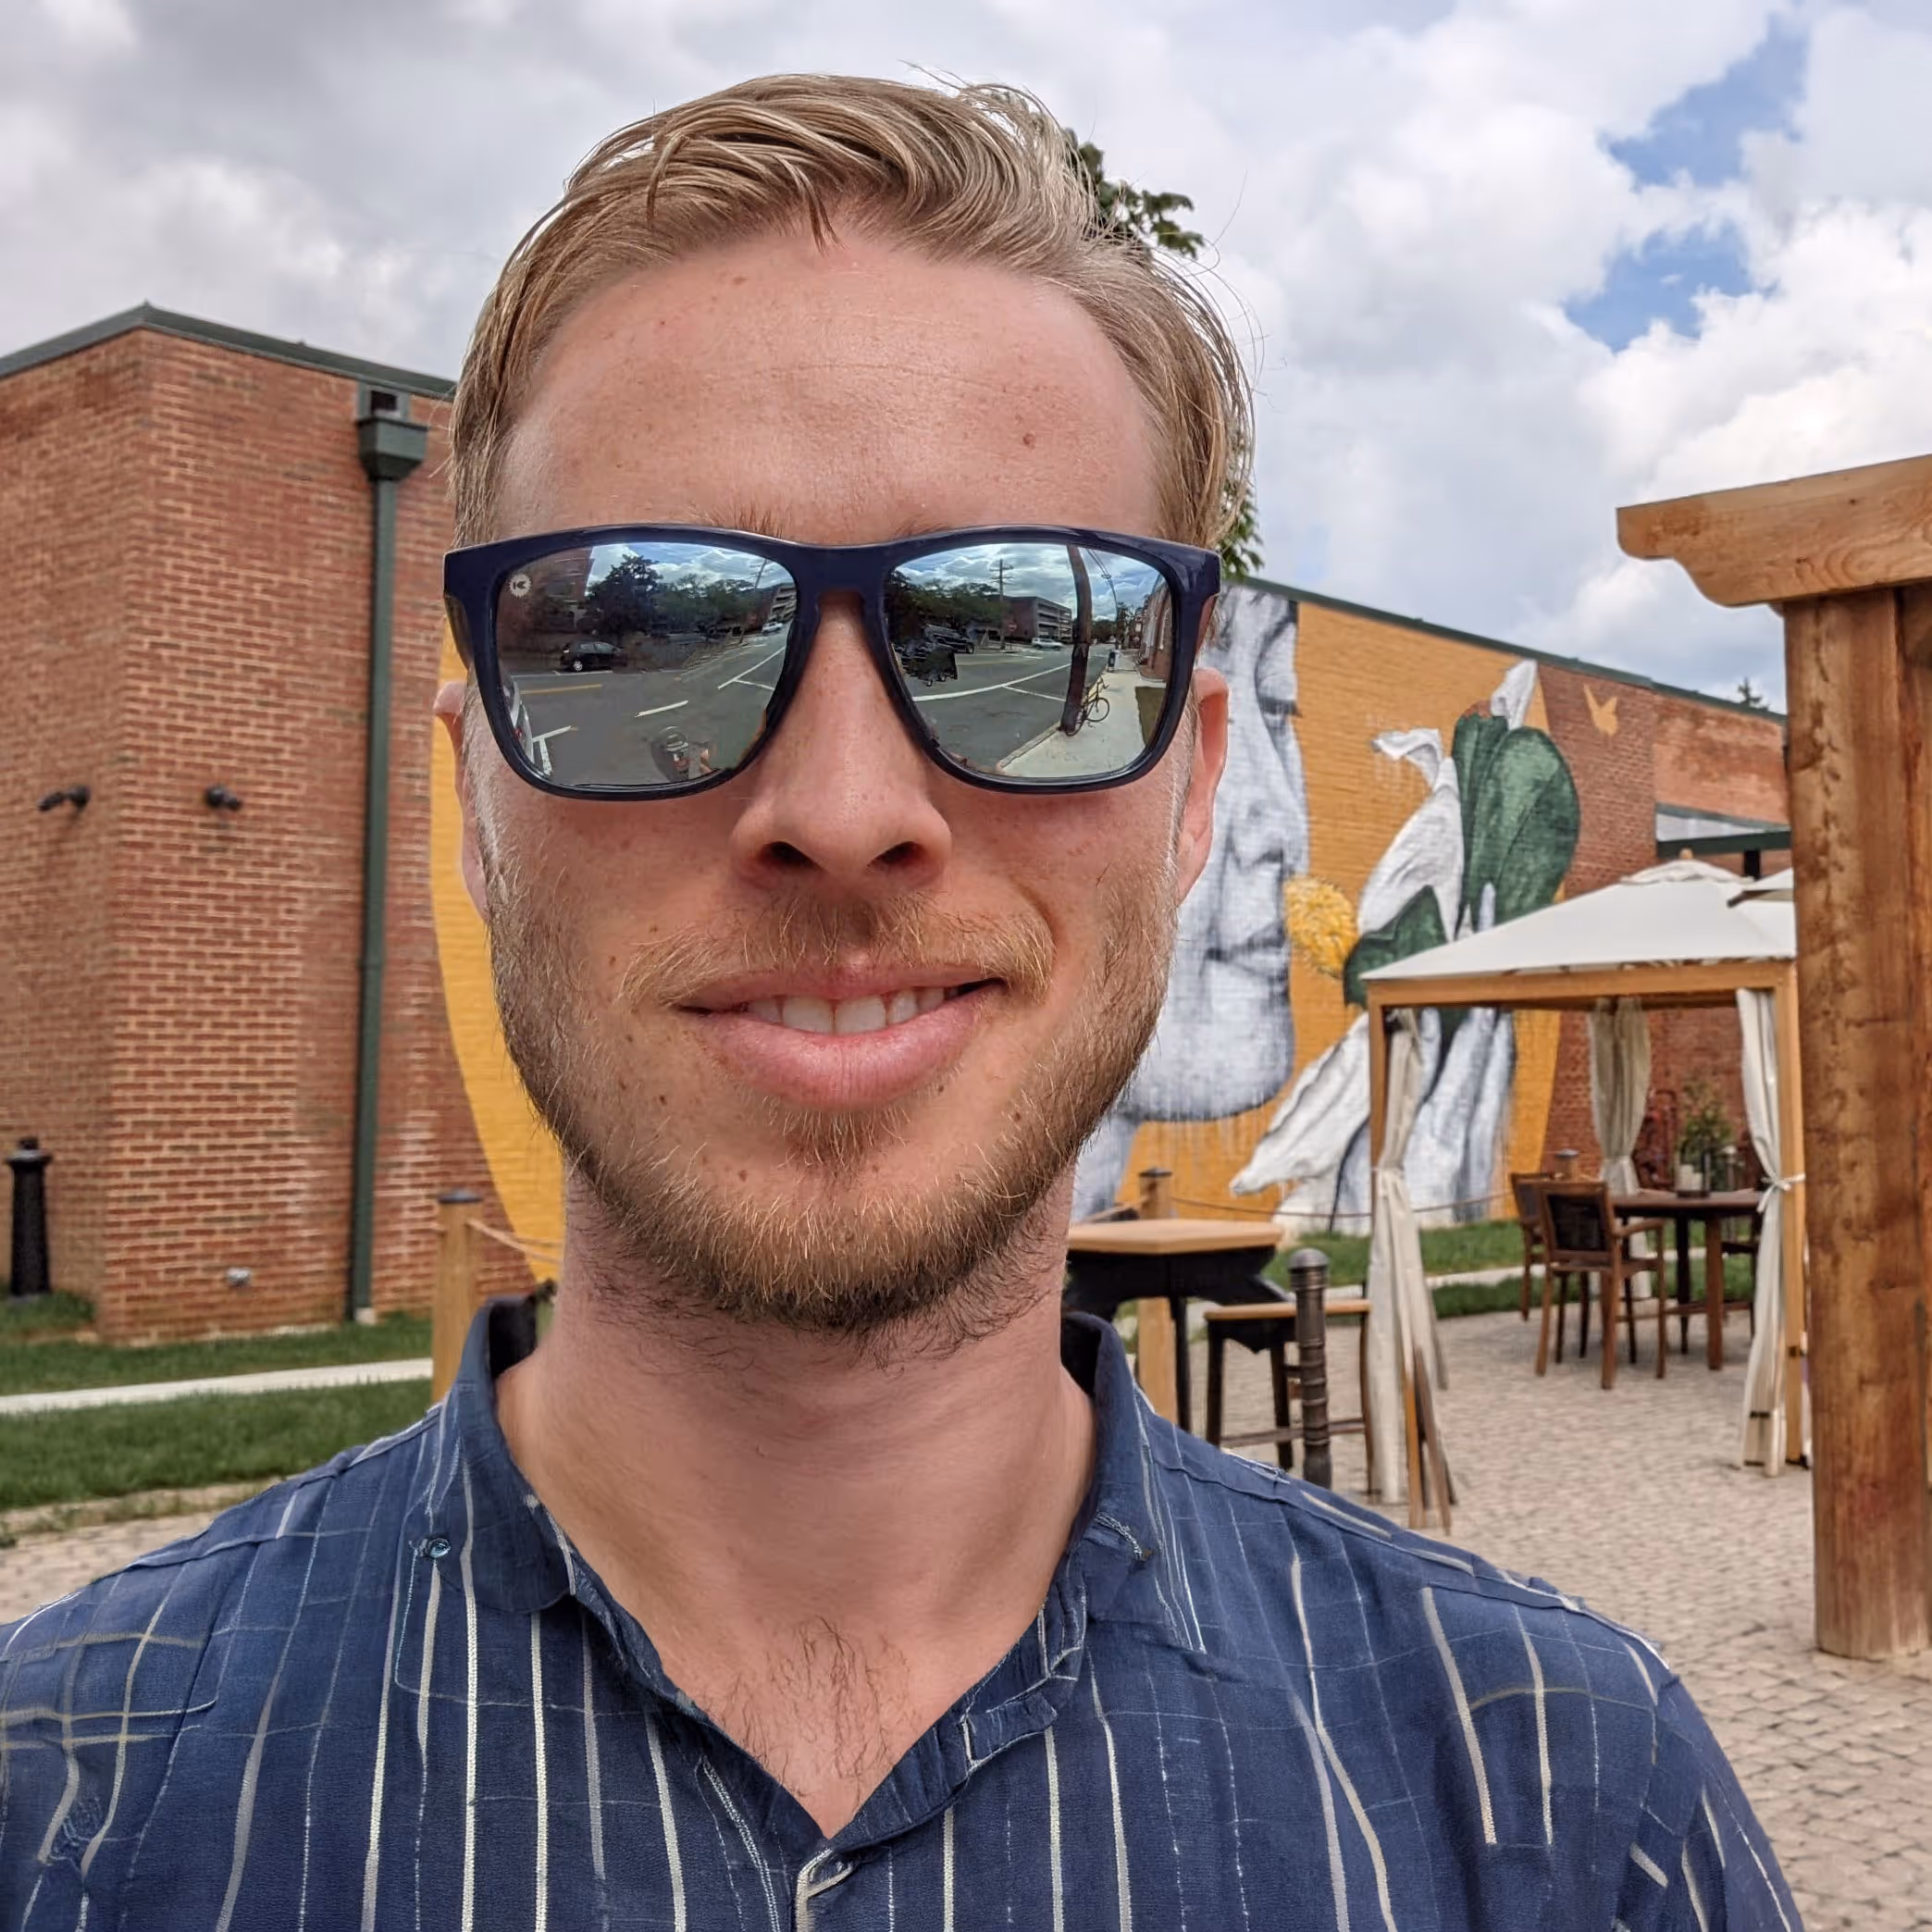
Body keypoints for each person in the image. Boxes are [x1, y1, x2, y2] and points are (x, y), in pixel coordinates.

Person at [0, 75, 1794, 1929]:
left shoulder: (1571, 1811)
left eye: (1028, 645)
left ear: (1191, 797)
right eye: (649, 636)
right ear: (472, 793)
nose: (845, 814)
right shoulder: (64, 1820)